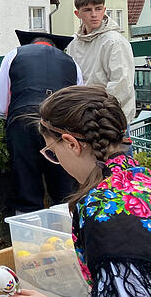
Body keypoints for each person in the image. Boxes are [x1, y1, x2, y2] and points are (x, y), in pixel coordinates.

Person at [18, 86, 151, 297]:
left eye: (53, 152)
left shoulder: (102, 212)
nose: (58, 162)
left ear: (71, 144)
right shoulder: (143, 180)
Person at [0, 30, 84, 215]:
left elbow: (2, 105)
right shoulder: (72, 63)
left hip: (23, 120)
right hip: (61, 125)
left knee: (26, 184)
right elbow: (79, 102)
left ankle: (28, 234)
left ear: (31, 44)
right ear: (55, 47)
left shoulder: (14, 55)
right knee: (64, 186)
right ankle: (67, 231)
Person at [67, 0, 135, 125]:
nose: (94, 14)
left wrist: (100, 112)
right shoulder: (73, 43)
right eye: (87, 10)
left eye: (98, 9)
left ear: (104, 10)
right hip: (83, 116)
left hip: (111, 117)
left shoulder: (114, 42)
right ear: (77, 14)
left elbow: (121, 84)